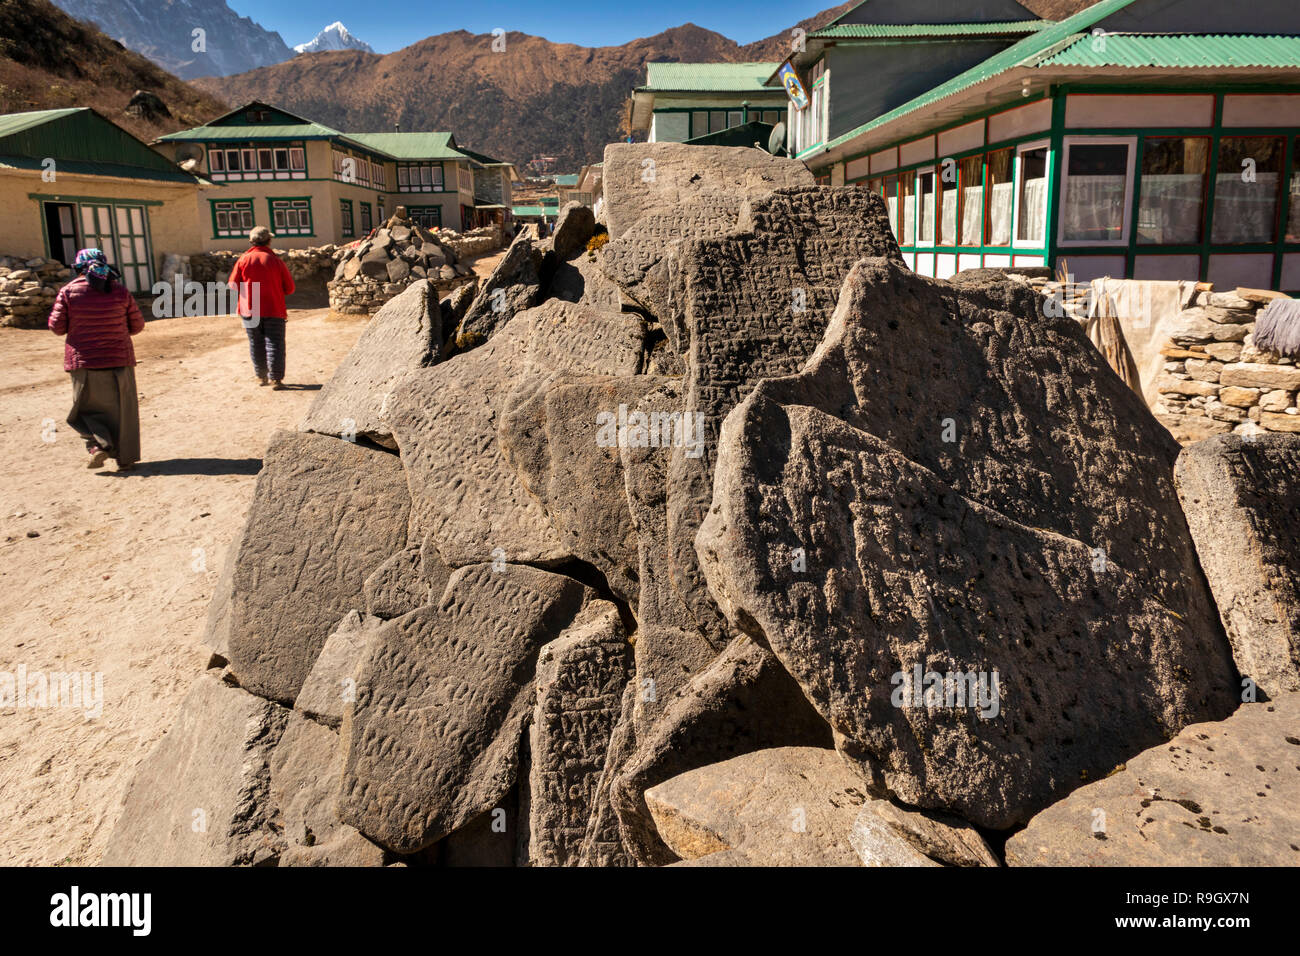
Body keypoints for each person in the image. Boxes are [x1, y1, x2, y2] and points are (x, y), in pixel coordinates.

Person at [48, 248, 144, 470]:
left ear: (79, 267)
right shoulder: (119, 291)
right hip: (119, 360)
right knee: (124, 411)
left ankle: (97, 447)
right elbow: (137, 326)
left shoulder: (68, 292)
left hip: (84, 362)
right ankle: (125, 459)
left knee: (84, 410)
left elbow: (57, 327)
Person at [227, 226, 295, 389]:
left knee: (255, 343)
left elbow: (233, 285)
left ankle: (261, 377)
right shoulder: (276, 261)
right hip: (273, 308)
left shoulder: (243, 260)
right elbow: (290, 288)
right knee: (275, 343)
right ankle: (276, 379)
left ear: (251, 242)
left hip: (249, 309)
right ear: (269, 241)